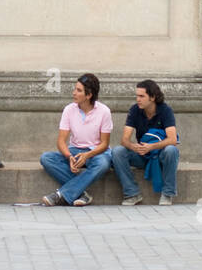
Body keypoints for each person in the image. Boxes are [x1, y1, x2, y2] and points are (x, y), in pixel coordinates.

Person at [40, 73, 113, 207]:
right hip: (75, 151)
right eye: (75, 89)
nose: (74, 93)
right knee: (46, 158)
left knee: (103, 163)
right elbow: (61, 141)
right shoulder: (69, 110)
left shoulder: (104, 111)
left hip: (95, 153)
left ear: (89, 95)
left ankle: (61, 194)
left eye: (78, 90)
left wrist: (87, 155)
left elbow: (104, 144)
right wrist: (69, 157)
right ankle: (80, 193)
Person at [111, 79, 179, 206]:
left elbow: (172, 139)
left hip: (159, 155)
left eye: (142, 96)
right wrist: (134, 147)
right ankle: (132, 193)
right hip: (142, 154)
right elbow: (124, 140)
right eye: (137, 96)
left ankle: (168, 193)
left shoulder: (165, 110)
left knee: (171, 150)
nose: (138, 99)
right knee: (117, 151)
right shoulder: (135, 110)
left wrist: (152, 146)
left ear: (152, 97)